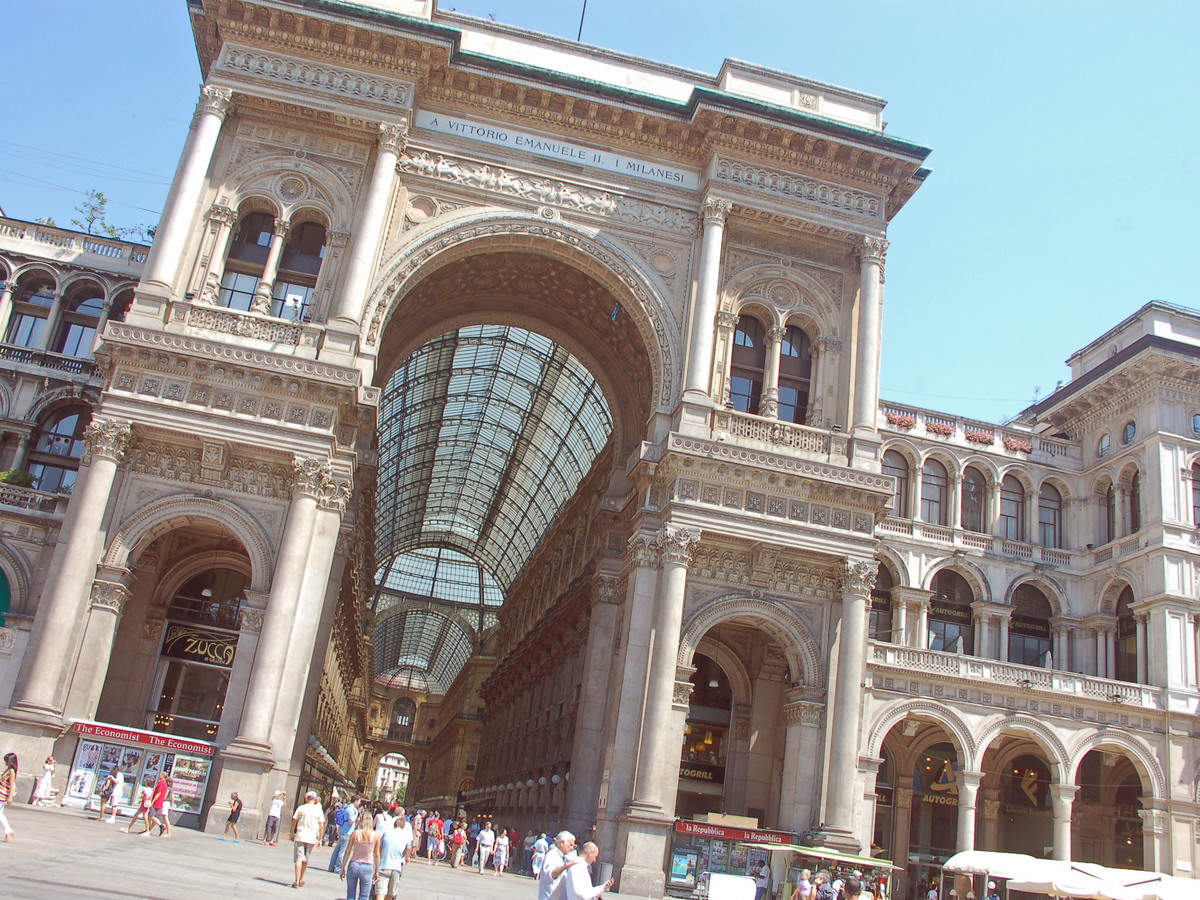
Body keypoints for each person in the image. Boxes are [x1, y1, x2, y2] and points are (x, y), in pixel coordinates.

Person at [340, 809, 380, 900]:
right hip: (367, 865)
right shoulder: (375, 836)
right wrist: (377, 870)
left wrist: (343, 866)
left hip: (354, 863)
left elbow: (347, 851)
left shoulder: (355, 834)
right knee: (364, 896)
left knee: (350, 895)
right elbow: (377, 854)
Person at [291, 789, 327, 889]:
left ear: (307, 798)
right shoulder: (318, 810)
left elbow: (294, 820)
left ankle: (296, 881)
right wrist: (320, 839)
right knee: (305, 859)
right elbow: (321, 825)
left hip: (300, 835)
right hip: (311, 838)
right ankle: (301, 878)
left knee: (299, 858)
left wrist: (291, 832)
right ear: (315, 799)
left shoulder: (301, 808)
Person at [376, 806, 413, 900]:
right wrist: (405, 856)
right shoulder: (407, 827)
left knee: (380, 891)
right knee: (391, 893)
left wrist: (378, 860)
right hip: (397, 866)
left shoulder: (387, 824)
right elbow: (408, 845)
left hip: (384, 863)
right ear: (403, 815)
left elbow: (379, 846)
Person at [538, 830, 578, 900]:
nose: (572, 848)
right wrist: (566, 865)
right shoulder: (552, 855)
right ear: (562, 843)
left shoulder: (563, 857)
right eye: (570, 845)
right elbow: (552, 873)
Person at [330, 798, 361, 872]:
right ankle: (338, 868)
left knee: (337, 850)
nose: (360, 803)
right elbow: (351, 821)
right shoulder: (351, 810)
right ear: (355, 801)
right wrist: (356, 814)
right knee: (342, 851)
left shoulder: (347, 807)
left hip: (342, 831)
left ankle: (331, 867)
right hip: (347, 832)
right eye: (359, 801)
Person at [0, 752, 16, 841]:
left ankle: (8, 832)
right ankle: (9, 832)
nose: (6, 762)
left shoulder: (11, 771)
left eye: (7, 760)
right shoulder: (8, 769)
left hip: (3, 795)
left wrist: (10, 797)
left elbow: (12, 785)